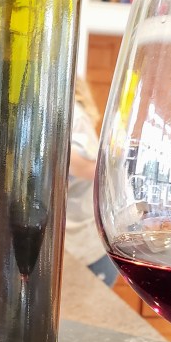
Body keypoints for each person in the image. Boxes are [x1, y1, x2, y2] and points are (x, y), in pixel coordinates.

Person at [65, 78, 118, 286]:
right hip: (78, 243)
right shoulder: (73, 113)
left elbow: (87, 168)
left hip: (85, 247)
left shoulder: (73, 113)